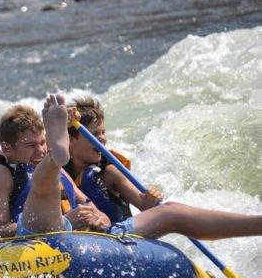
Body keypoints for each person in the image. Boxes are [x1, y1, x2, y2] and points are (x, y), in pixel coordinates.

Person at [66, 96, 262, 239]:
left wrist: (149, 199)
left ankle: (255, 224)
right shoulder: (57, 172)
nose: (102, 139)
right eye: (94, 134)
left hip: (119, 237)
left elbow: (143, 204)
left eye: (103, 132)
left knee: (171, 211)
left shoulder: (110, 173)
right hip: (83, 243)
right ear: (70, 141)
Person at [0, 98, 110, 239]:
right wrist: (67, 222)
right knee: (51, 166)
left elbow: (98, 214)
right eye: (31, 145)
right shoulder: (0, 173)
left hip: (73, 242)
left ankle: (57, 140)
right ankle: (60, 225)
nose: (40, 150)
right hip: (31, 246)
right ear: (7, 148)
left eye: (42, 142)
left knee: (137, 223)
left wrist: (97, 221)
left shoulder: (58, 170)